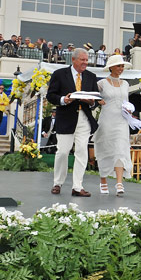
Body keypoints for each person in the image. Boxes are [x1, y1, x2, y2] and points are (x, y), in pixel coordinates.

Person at [46, 48, 99, 197]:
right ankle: (57, 183)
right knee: (62, 152)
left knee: (82, 152)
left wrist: (92, 103)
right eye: (82, 60)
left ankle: (77, 187)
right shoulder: (59, 74)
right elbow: (51, 96)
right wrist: (64, 100)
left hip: (84, 119)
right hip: (66, 118)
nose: (85, 63)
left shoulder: (91, 76)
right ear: (73, 60)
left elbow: (96, 100)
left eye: (87, 60)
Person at [93, 54, 138, 196]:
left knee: (120, 148)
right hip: (106, 121)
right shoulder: (101, 83)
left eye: (122, 66)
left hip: (121, 121)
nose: (121, 68)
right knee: (105, 149)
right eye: (119, 65)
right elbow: (92, 97)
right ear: (111, 67)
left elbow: (126, 101)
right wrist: (98, 101)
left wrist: (130, 110)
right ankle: (103, 181)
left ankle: (119, 183)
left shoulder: (125, 84)